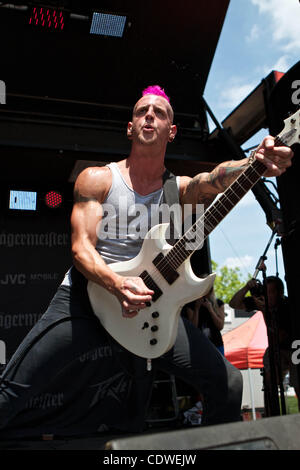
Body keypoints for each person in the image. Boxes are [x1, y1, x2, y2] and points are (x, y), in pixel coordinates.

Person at [0, 85, 294, 437]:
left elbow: (214, 179)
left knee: (227, 383)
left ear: (172, 131)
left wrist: (254, 162)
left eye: (160, 112)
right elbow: (81, 249)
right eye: (142, 111)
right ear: (130, 127)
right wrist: (117, 283)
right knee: (12, 392)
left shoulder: (180, 188)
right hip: (85, 298)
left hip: (149, 305)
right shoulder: (98, 179)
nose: (149, 115)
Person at [229, 276, 299, 411]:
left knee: (297, 384)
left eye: (270, 292)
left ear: (279, 293)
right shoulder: (263, 302)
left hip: (294, 347)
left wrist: (266, 311)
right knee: (269, 382)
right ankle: (271, 414)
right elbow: (234, 304)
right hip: (275, 347)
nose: (266, 296)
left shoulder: (287, 306)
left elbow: (281, 336)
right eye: (265, 292)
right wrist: (246, 287)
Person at [183, 286, 225, 355]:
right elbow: (193, 328)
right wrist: (197, 308)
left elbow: (220, 326)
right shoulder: (191, 304)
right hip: (199, 345)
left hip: (216, 345)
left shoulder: (218, 303)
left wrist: (210, 309)